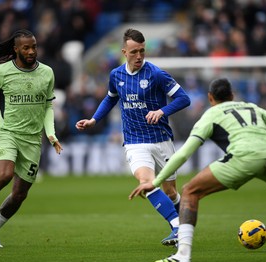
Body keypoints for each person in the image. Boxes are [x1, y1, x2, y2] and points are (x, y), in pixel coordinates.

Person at [129, 78, 266, 262]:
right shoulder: (252, 107)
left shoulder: (211, 114)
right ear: (232, 95)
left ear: (210, 98)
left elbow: (184, 154)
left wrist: (156, 181)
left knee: (189, 191)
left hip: (244, 158)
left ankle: (183, 254)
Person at [76, 28, 190, 246]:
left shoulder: (156, 74)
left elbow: (184, 99)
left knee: (171, 192)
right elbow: (110, 99)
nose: (139, 56)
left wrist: (162, 111)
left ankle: (182, 227)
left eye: (142, 51)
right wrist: (94, 120)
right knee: (146, 183)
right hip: (135, 142)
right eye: (134, 52)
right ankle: (178, 228)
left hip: (161, 139)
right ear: (124, 52)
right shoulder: (116, 75)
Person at [0, 29, 63, 248]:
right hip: (7, 134)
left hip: (32, 140)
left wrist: (51, 133)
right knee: (4, 175)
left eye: (34, 47)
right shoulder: (1, 72)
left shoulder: (47, 72)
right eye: (26, 48)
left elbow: (48, 105)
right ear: (16, 49)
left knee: (20, 195)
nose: (31, 51)